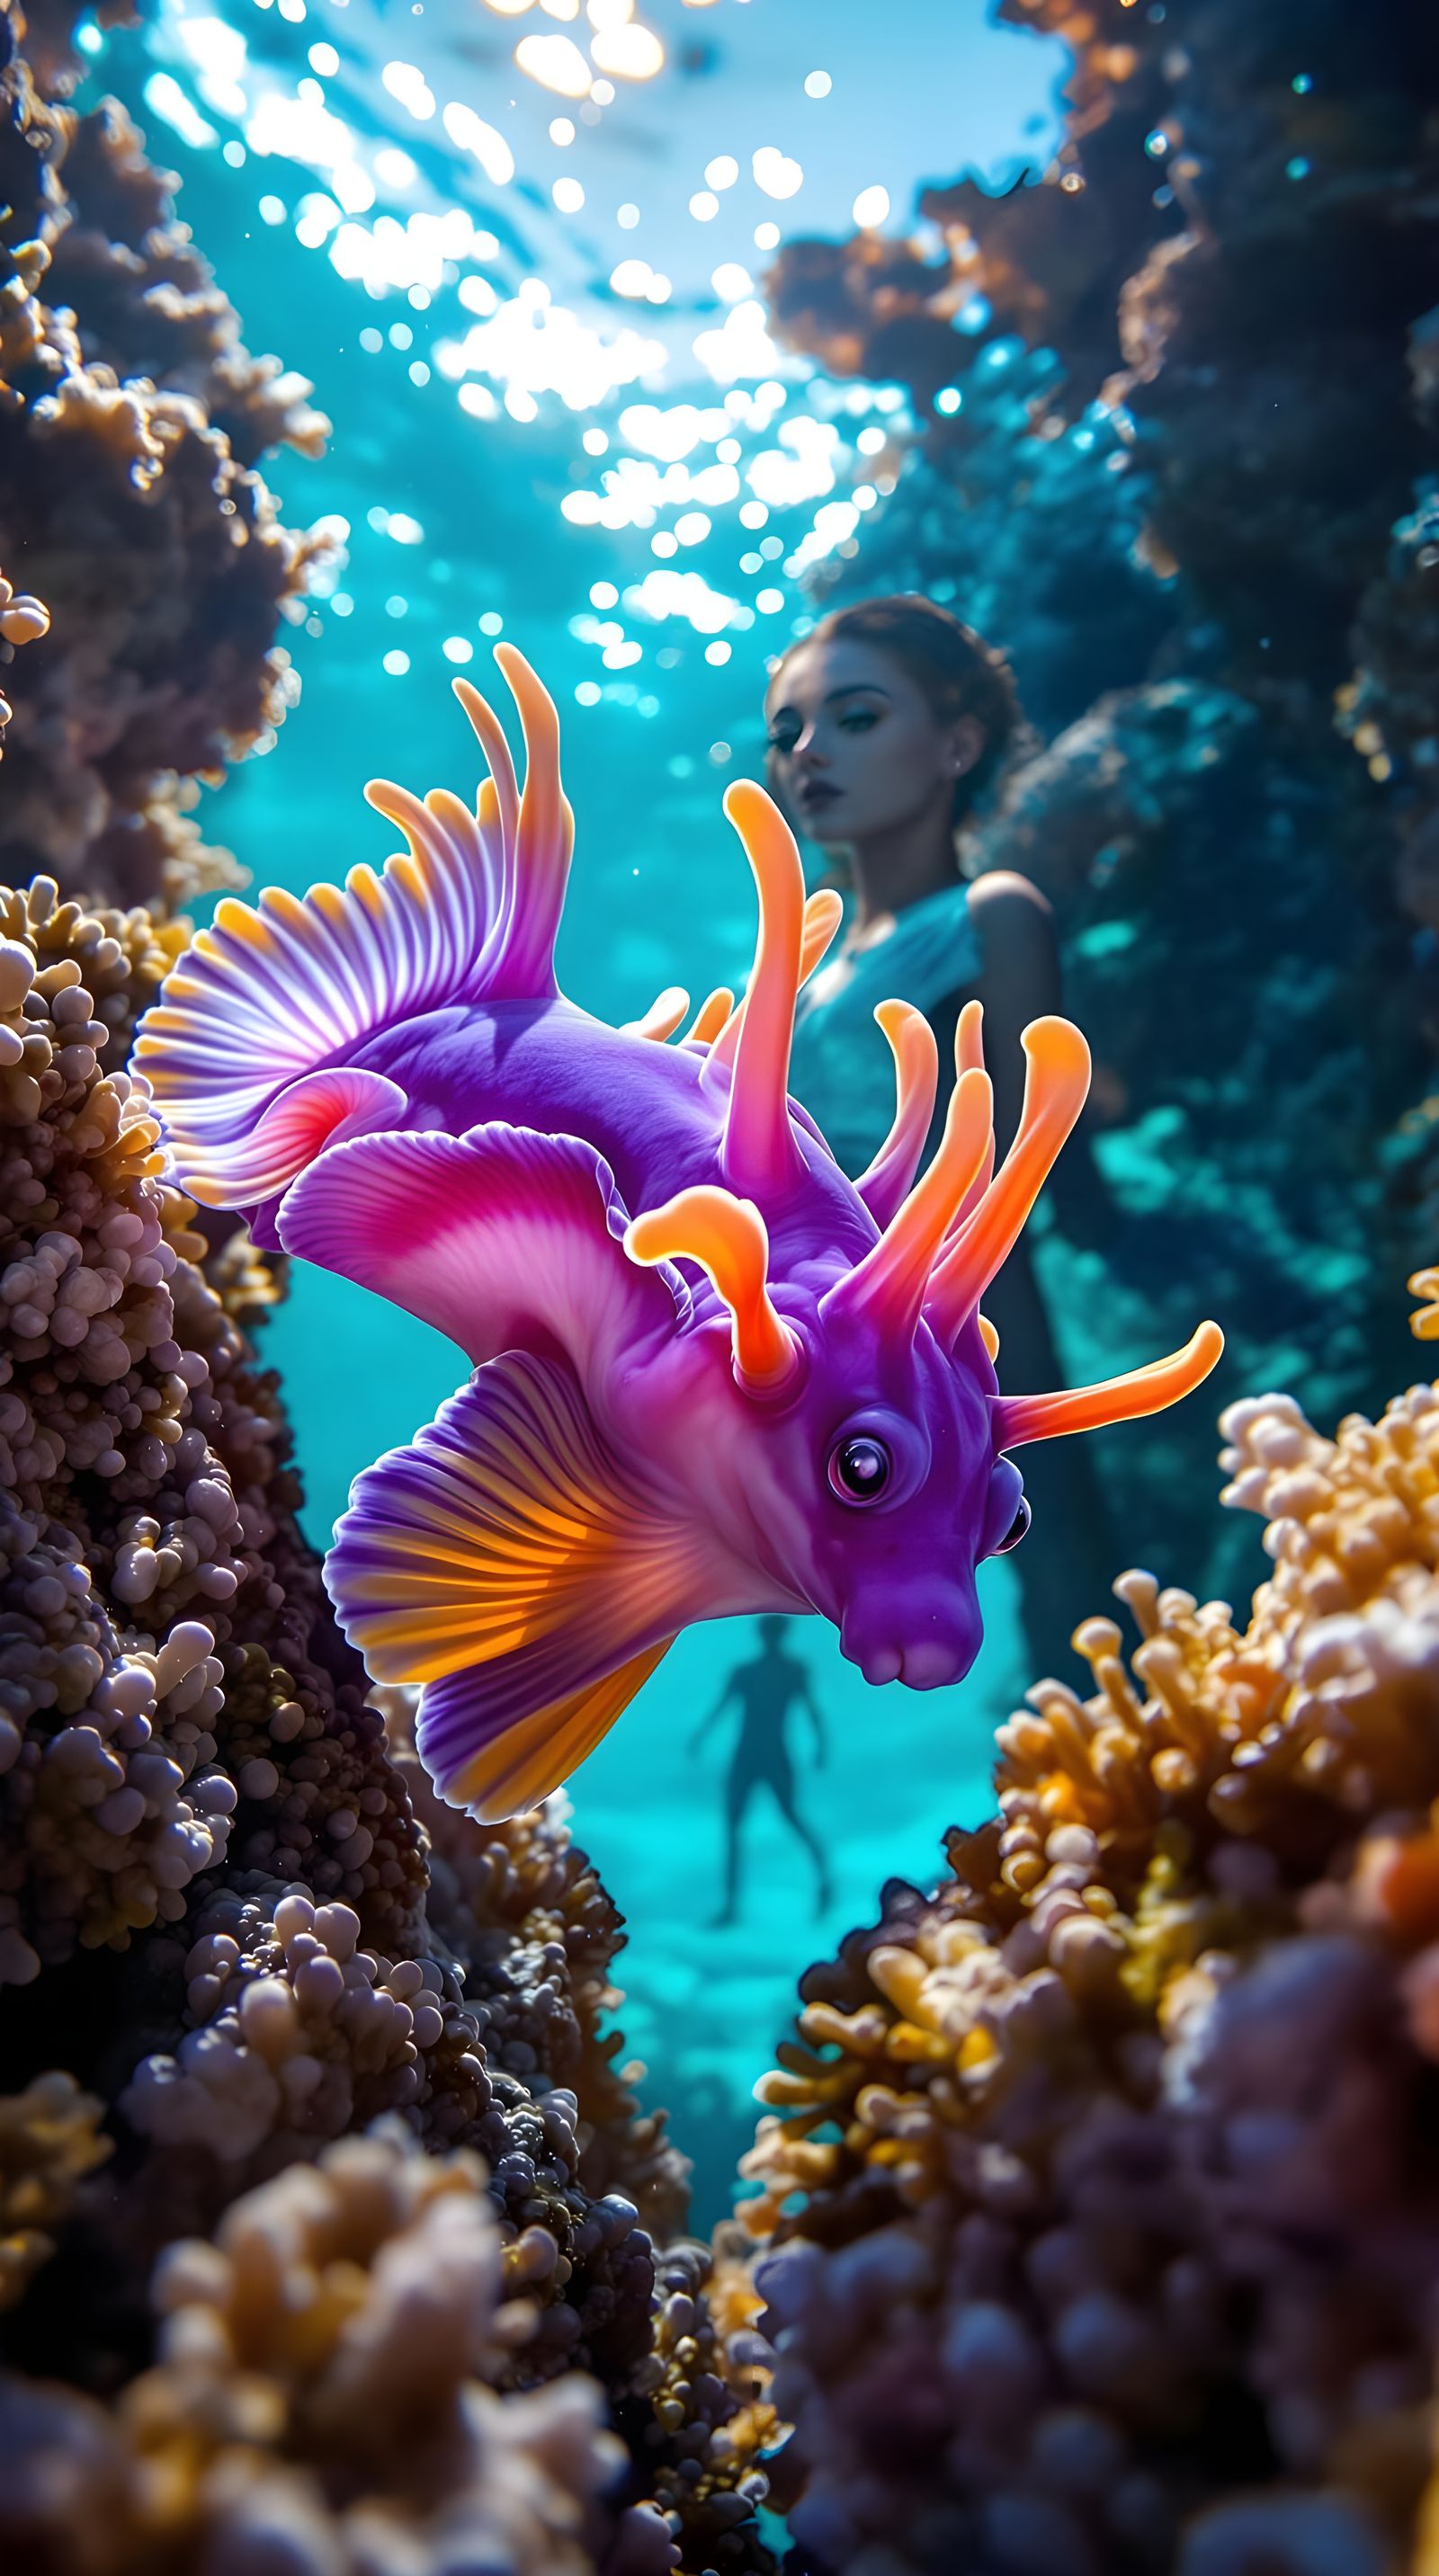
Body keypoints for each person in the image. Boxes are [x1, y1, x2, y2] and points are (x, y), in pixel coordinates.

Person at [764, 593, 1114, 1680]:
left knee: (1061, 1582)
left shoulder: (991, 913)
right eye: (787, 730)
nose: (808, 751)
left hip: (977, 1313)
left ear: (957, 745)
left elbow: (1030, 1158)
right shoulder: (809, 959)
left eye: (855, 717)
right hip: (835, 1337)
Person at [688, 1615, 831, 1929]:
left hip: (773, 1756)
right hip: (746, 1757)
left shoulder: (793, 1671)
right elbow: (721, 1708)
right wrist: (700, 1737)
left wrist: (821, 1746)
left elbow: (812, 1710)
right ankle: (731, 1906)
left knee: (790, 1818)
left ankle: (824, 1883)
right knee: (734, 1828)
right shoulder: (745, 1673)